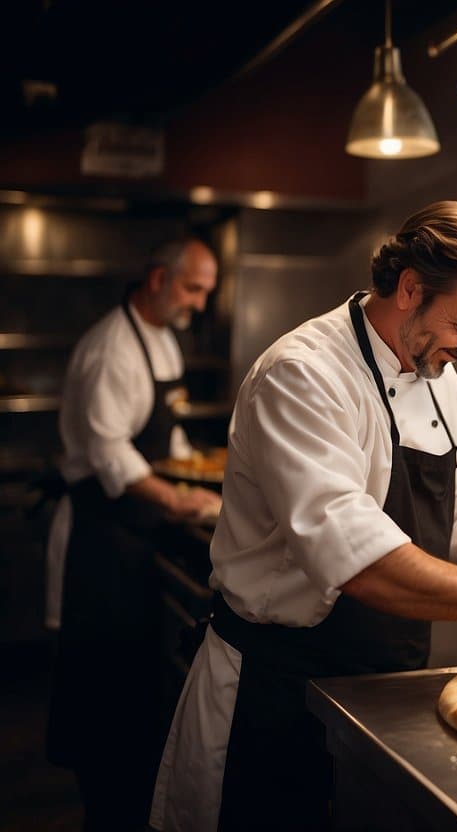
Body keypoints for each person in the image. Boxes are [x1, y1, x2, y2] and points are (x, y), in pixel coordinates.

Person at [150, 201, 457, 832]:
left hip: (385, 691)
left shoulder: (439, 372)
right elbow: (353, 555)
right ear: (410, 288)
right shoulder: (302, 374)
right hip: (276, 694)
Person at [46, 237, 223, 831]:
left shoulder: (163, 338)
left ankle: (130, 796)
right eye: (193, 289)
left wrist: (191, 470)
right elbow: (110, 456)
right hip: (101, 533)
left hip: (137, 533)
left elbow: (163, 438)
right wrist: (178, 497)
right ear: (157, 279)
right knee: (101, 680)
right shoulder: (110, 350)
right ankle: (106, 806)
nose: (199, 304)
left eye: (205, 291)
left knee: (132, 684)